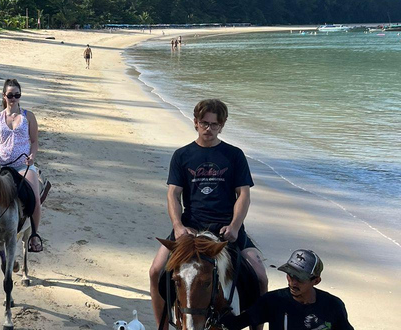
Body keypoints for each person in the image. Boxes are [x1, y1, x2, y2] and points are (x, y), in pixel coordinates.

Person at [148, 99, 268, 327]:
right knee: (155, 271)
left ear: (222, 126)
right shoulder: (182, 155)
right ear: (195, 122)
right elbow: (173, 195)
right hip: (190, 227)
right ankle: (162, 325)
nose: (208, 129)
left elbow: (243, 195)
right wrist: (177, 226)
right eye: (204, 123)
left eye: (214, 124)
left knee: (260, 276)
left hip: (226, 229)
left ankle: (256, 326)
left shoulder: (234, 155)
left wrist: (234, 226)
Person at [219, 249, 354, 330]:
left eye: (300, 279)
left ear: (316, 281)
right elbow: (235, 324)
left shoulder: (333, 306)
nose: (293, 282)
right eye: (290, 275)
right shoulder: (273, 301)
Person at [0, 79, 43, 252]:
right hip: (2, 164)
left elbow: (34, 141)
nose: (13, 98)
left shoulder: (28, 116)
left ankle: (34, 235)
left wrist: (32, 156)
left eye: (17, 95)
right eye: (10, 95)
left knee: (35, 198)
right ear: (4, 96)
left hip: (22, 165)